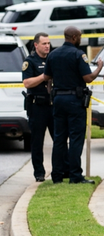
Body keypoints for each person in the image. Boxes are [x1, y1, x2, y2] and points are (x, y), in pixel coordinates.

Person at [43, 26, 104, 184]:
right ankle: (75, 175)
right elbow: (88, 78)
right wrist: (99, 68)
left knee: (59, 139)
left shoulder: (53, 54)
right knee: (76, 139)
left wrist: (51, 92)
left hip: (58, 100)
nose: (81, 39)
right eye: (80, 36)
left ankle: (57, 175)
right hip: (74, 101)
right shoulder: (79, 54)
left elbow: (47, 76)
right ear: (75, 37)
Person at [22, 33, 55, 182]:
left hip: (53, 105)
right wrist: (44, 76)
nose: (47, 46)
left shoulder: (53, 59)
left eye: (48, 43)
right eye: (44, 44)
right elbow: (27, 83)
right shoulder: (30, 61)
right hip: (37, 106)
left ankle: (60, 170)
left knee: (59, 139)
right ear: (36, 45)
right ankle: (39, 173)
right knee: (37, 141)